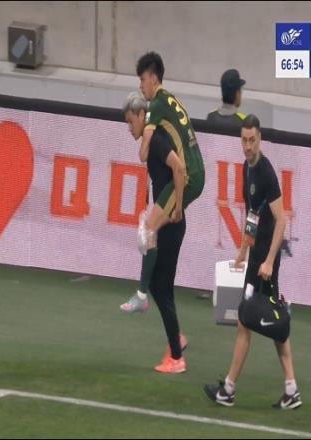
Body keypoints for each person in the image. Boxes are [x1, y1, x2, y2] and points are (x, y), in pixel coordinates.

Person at [204, 115, 302, 410]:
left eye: (252, 140)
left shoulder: (266, 173)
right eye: (244, 140)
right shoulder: (246, 169)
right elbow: (252, 215)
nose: (247, 146)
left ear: (259, 140)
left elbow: (281, 219)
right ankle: (290, 389)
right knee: (258, 321)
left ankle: (230, 389)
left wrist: (269, 261)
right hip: (256, 257)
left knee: (253, 322)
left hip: (265, 263)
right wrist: (243, 251)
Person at [120, 51, 205, 315]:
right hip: (196, 171)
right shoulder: (170, 100)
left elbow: (143, 152)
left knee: (147, 229)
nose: (141, 86)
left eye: (142, 80)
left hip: (188, 177)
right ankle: (147, 290)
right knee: (150, 228)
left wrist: (178, 206)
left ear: (154, 78)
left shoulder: (156, 105)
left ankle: (142, 294)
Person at [122, 91, 189, 373]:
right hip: (166, 220)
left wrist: (178, 207)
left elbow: (180, 168)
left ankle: (177, 357)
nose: (129, 127)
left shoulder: (159, 140)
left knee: (161, 287)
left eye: (131, 121)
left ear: (142, 115)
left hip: (172, 223)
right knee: (162, 288)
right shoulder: (151, 142)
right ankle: (176, 340)